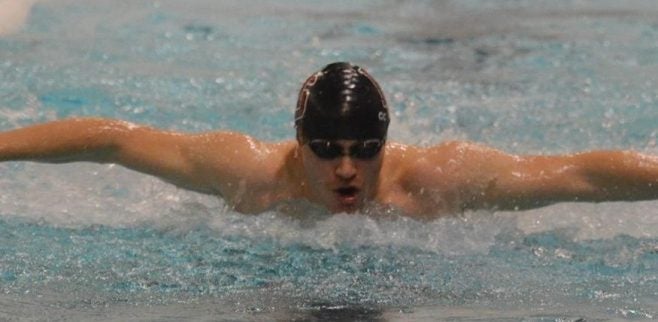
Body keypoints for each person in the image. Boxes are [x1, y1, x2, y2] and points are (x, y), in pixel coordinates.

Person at [1, 62, 658, 219]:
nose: (347, 171)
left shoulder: (432, 180)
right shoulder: (251, 174)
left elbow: (580, 174)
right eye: (328, 151)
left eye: (364, 152)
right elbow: (113, 140)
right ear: (298, 141)